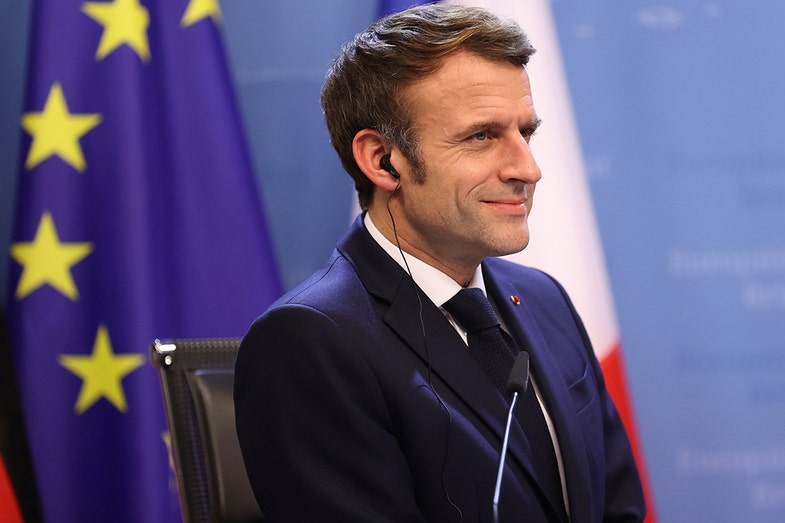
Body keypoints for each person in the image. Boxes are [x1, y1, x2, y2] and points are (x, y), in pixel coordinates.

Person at [234, 4, 646, 522]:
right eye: (481, 136)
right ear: (384, 160)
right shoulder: (310, 341)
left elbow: (617, 507)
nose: (529, 168)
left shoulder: (545, 299)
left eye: (526, 132)